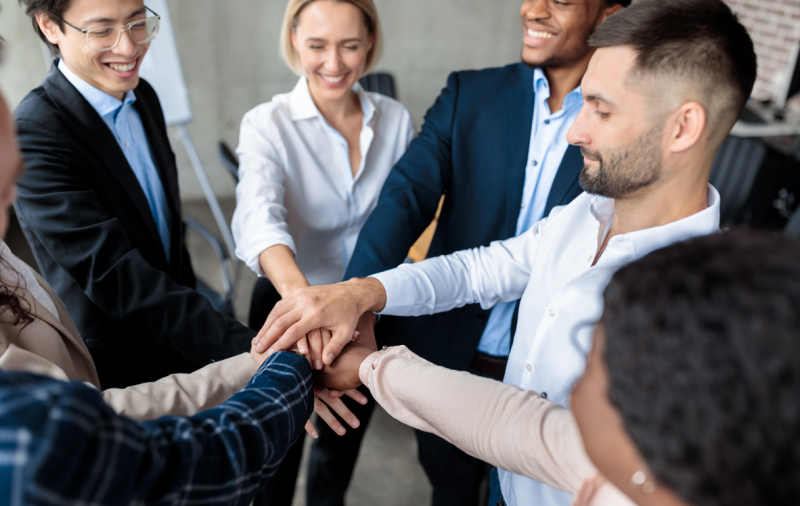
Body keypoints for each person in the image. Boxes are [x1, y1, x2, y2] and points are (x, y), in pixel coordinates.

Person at [254, 0, 758, 504]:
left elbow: (548, 439)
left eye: (602, 110)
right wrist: (361, 293)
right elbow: (479, 269)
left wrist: (371, 367)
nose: (575, 131)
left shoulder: (705, 313)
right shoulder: (583, 213)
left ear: (682, 127)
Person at [299, 0, 633, 503]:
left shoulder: (620, 125)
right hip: (445, 351)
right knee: (450, 488)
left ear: (608, 14)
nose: (533, 9)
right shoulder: (469, 93)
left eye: (561, 0)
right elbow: (404, 199)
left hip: (547, 376)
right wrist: (354, 302)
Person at [315, 230, 800, 506]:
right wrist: (370, 363)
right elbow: (514, 424)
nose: (564, 391)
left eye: (592, 364)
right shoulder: (641, 473)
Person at [0, 78, 314, 504]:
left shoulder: (144, 95)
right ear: (52, 36)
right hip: (120, 358)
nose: (128, 48)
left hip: (183, 336)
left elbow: (166, 232)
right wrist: (270, 361)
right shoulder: (36, 129)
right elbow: (116, 274)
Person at [230, 0, 413, 503]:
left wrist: (359, 309)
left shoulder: (395, 120)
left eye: (350, 45)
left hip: (369, 310)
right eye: (317, 46)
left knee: (341, 444)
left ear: (370, 40)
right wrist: (307, 308)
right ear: (293, 40)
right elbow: (260, 219)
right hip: (288, 302)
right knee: (277, 452)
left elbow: (406, 217)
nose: (334, 63)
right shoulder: (266, 123)